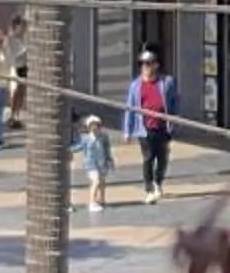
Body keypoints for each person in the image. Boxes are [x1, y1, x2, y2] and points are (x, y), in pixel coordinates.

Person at [123, 49, 179, 203]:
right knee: (148, 157)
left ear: (156, 65)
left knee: (162, 158)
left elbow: (174, 102)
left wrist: (173, 120)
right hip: (144, 128)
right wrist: (127, 131)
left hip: (162, 127)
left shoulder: (167, 82)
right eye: (142, 64)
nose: (145, 67)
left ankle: (158, 182)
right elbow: (130, 108)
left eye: (148, 64)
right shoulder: (135, 85)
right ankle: (149, 188)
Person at [72, 113, 116, 213]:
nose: (94, 128)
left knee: (102, 181)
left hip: (102, 163)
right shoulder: (86, 138)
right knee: (96, 181)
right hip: (91, 164)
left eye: (96, 125)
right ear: (89, 127)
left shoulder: (104, 137)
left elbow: (107, 149)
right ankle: (92, 203)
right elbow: (79, 147)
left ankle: (102, 200)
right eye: (92, 126)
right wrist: (69, 149)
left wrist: (110, 160)